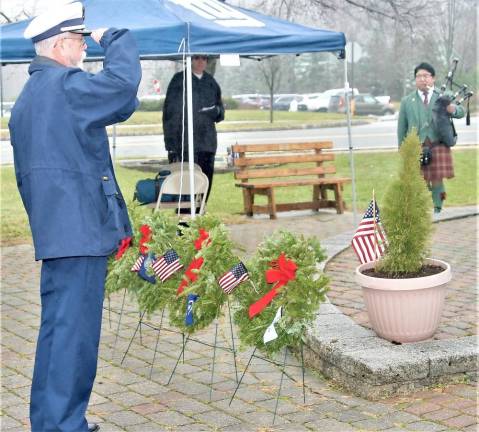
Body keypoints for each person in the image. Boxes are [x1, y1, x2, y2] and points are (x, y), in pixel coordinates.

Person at [8, 3, 141, 431]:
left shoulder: (31, 96)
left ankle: (51, 421)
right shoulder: (65, 86)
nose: (85, 50)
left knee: (57, 334)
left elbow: (118, 105)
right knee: (74, 338)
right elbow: (122, 87)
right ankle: (65, 425)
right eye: (81, 42)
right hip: (79, 230)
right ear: (61, 45)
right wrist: (116, 38)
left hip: (57, 231)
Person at [397, 62, 464, 213]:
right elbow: (402, 128)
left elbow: (461, 111)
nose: (422, 79)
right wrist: (402, 149)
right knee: (420, 180)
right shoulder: (407, 101)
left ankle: (438, 207)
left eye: (426, 76)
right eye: (419, 76)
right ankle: (422, 208)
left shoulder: (443, 96)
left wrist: (452, 108)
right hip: (416, 145)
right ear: (415, 80)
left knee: (437, 179)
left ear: (433, 78)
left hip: (438, 144)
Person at [162, 54, 225, 203]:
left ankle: (200, 214)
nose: (200, 61)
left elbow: (220, 110)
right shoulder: (179, 80)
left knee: (205, 181)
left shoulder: (211, 82)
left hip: (207, 143)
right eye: (196, 58)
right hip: (184, 144)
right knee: (185, 184)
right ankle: (184, 221)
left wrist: (216, 111)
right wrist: (170, 145)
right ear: (190, 60)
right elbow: (169, 114)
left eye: (204, 58)